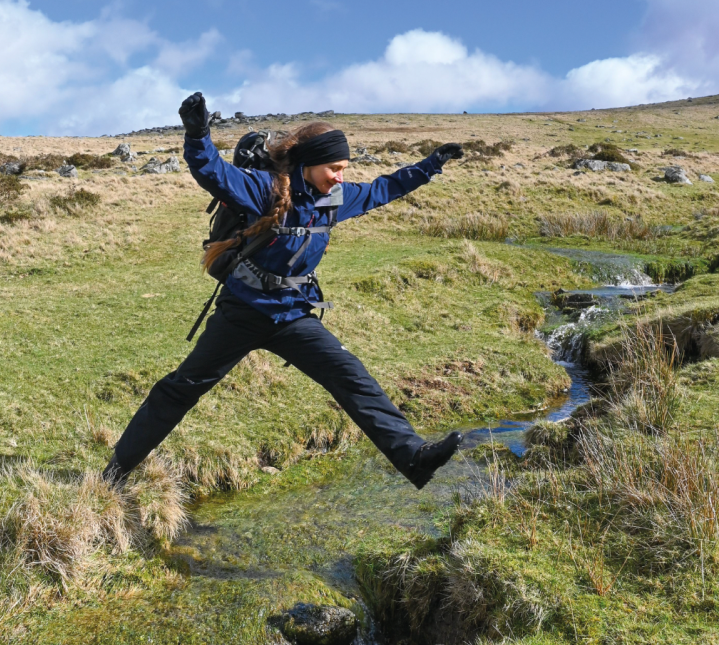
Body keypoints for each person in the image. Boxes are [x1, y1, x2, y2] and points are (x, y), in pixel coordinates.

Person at [103, 91, 466, 491]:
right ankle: (114, 475)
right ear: (308, 165)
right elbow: (214, 173)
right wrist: (197, 134)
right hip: (242, 311)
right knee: (181, 389)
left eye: (344, 168)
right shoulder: (265, 188)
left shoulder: (335, 199)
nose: (341, 177)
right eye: (334, 168)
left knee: (351, 376)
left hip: (293, 315)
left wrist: (432, 165)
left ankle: (413, 457)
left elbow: (384, 188)